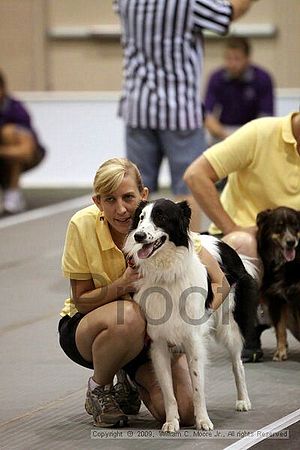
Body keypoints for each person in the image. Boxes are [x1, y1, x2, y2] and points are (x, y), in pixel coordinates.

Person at [58, 157, 230, 428]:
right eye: (109, 200)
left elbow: (222, 284)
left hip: (151, 338)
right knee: (130, 316)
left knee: (184, 413)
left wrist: (195, 320)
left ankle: (129, 379)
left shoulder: (163, 227)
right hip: (89, 329)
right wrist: (122, 285)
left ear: (143, 195)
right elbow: (81, 301)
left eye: (128, 197)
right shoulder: (81, 225)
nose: (122, 209)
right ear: (97, 202)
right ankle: (99, 387)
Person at [113, 0, 260, 232]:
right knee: (187, 190)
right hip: (179, 110)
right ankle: (186, 260)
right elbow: (228, 13)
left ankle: (135, 263)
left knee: (136, 192)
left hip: (137, 105)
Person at [183, 111, 300, 360]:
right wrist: (231, 226)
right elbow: (196, 175)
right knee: (243, 243)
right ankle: (249, 326)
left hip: (292, 255)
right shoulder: (260, 133)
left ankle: (281, 316)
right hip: (247, 243)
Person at [204, 37, 274, 145]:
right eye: (228, 58)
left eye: (237, 59)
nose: (232, 64)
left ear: (247, 58)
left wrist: (246, 138)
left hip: (252, 131)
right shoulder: (216, 78)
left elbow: (266, 117)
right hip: (225, 131)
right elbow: (207, 115)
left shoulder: (262, 78)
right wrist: (226, 136)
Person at [0, 70, 46, 214]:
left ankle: (12, 193)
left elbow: (25, 151)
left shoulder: (16, 110)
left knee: (9, 134)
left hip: (23, 155)